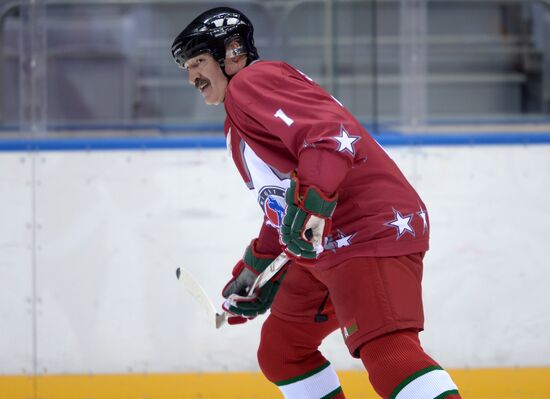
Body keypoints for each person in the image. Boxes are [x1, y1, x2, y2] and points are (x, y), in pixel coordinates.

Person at [171, 7, 462, 399]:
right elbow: (284, 206)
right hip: (328, 244)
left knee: (388, 353)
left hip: (364, 228)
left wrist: (312, 205)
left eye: (198, 62)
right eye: (186, 67)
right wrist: (256, 271)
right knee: (283, 352)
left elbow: (327, 137)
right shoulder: (237, 123)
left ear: (233, 53)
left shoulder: (253, 82)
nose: (191, 77)